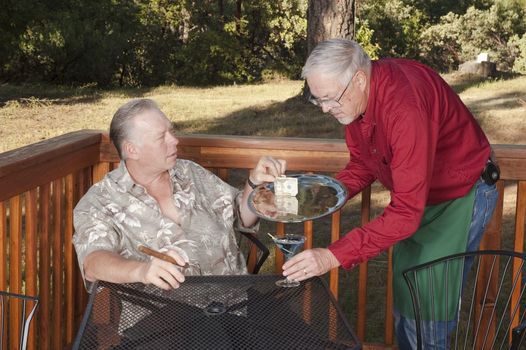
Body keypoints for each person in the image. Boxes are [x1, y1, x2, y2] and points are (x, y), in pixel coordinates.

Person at [282, 39, 499, 349]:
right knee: (409, 294)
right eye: (317, 100)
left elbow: (406, 214)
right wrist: (323, 195)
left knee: (428, 309)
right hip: (419, 199)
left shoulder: (404, 107)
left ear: (358, 79)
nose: (326, 109)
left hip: (460, 196)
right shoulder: (357, 100)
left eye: (329, 99)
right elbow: (363, 163)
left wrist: (331, 255)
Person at [73, 98, 286, 291]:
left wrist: (255, 183)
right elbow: (93, 262)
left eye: (171, 131)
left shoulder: (190, 173)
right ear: (132, 150)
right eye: (161, 137)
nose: (174, 141)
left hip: (237, 300)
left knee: (300, 335)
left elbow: (241, 215)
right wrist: (141, 271)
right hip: (165, 317)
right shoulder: (101, 201)